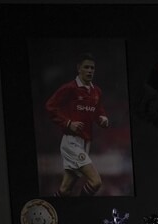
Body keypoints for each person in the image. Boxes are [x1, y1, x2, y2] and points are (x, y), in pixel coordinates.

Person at [44, 53, 111, 196]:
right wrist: (68, 123)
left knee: (65, 189)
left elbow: (98, 111)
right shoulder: (69, 88)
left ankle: (55, 206)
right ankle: (82, 206)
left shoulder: (96, 91)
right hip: (71, 142)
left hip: (86, 142)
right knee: (96, 182)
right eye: (86, 67)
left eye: (92, 68)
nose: (90, 70)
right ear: (79, 68)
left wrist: (103, 119)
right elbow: (50, 106)